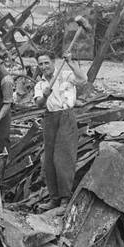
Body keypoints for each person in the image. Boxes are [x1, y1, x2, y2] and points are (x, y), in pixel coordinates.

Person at [32, 49, 84, 207]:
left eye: (46, 62)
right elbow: (39, 103)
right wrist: (46, 95)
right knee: (49, 160)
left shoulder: (66, 75)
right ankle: (54, 198)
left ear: (53, 62)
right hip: (50, 118)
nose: (44, 66)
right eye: (40, 64)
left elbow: (83, 79)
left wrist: (69, 62)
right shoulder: (41, 84)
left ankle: (65, 198)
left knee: (63, 159)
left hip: (66, 117)